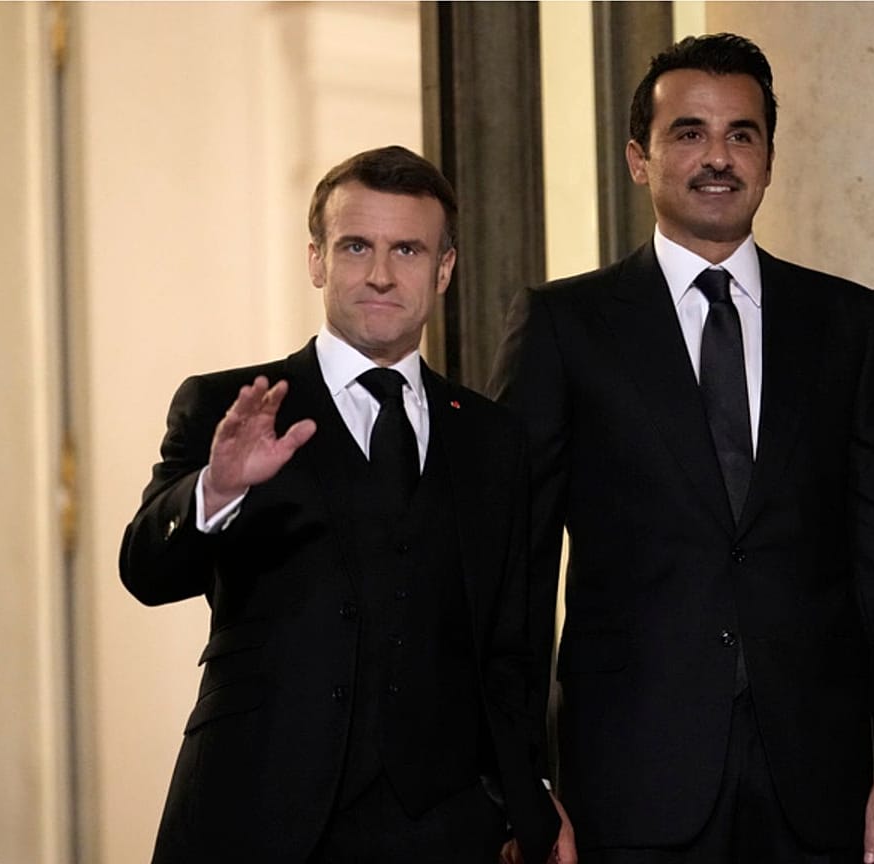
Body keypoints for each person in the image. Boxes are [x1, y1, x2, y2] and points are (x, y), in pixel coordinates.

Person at [489, 33, 874, 864]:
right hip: (626, 773)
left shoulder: (849, 323)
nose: (718, 157)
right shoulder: (564, 327)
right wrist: (524, 782)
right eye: (689, 133)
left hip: (819, 774)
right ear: (639, 158)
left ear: (769, 158)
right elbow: (512, 566)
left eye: (742, 133)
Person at [119, 145, 563, 864]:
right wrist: (221, 486)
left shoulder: (492, 438)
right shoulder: (230, 404)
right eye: (356, 246)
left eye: (408, 250)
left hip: (447, 830)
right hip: (254, 813)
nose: (381, 273)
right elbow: (146, 571)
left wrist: (530, 796)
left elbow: (507, 648)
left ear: (443, 270)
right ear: (317, 260)